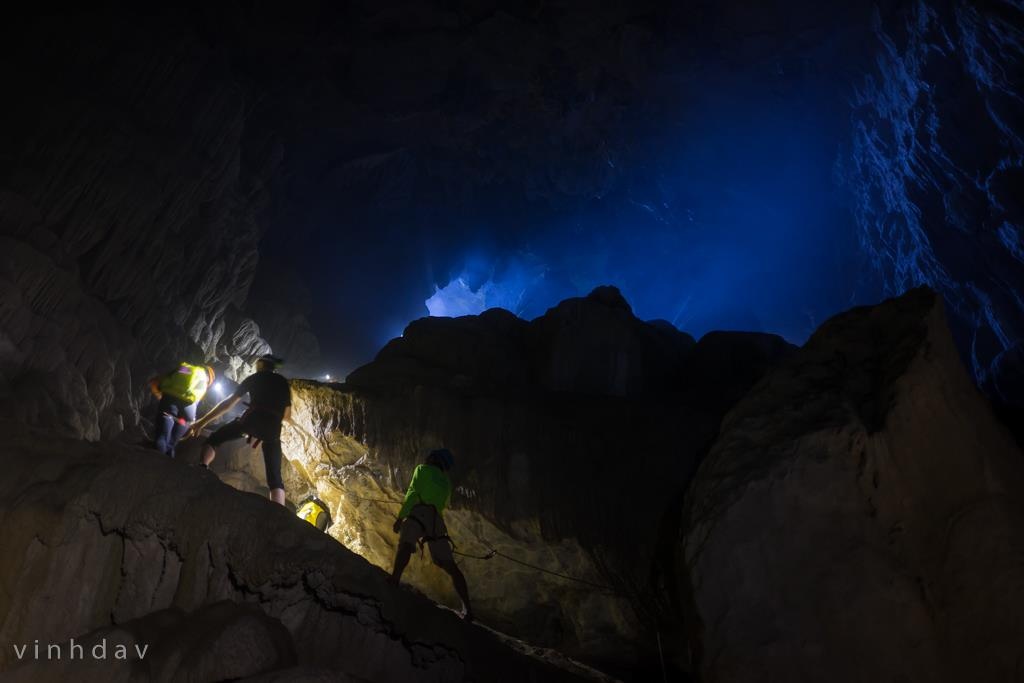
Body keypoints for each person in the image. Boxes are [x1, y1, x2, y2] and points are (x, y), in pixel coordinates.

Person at [186, 354, 292, 506]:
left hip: (250, 423)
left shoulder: (255, 378)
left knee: (214, 439)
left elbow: (228, 404)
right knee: (275, 478)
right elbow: (287, 416)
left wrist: (201, 423)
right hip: (272, 430)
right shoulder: (282, 382)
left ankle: (202, 469)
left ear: (261, 365)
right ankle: (278, 513)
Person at [390, 448, 474, 621]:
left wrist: (401, 518)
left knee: (406, 543)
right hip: (437, 521)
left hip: (420, 512)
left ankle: (394, 580)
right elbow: (444, 503)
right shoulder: (446, 482)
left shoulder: (422, 469)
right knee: (449, 565)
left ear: (434, 459)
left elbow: (412, 493)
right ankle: (467, 608)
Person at [148, 361, 215, 458]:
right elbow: (195, 402)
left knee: (162, 438)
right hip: (186, 416)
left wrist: (160, 393)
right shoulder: (204, 380)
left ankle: (152, 466)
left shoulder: (185, 368)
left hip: (169, 406)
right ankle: (166, 468)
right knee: (171, 444)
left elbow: (164, 378)